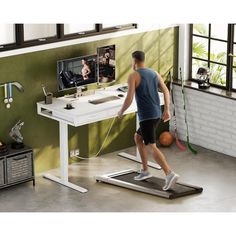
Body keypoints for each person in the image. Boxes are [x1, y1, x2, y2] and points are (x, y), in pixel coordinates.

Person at [118, 51, 179, 191]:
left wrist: (121, 112)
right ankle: (145, 170)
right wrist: (167, 110)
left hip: (146, 116)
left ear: (134, 62)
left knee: (151, 145)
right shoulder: (154, 73)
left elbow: (129, 98)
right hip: (157, 113)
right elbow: (166, 91)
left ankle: (169, 174)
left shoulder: (133, 76)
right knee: (138, 137)